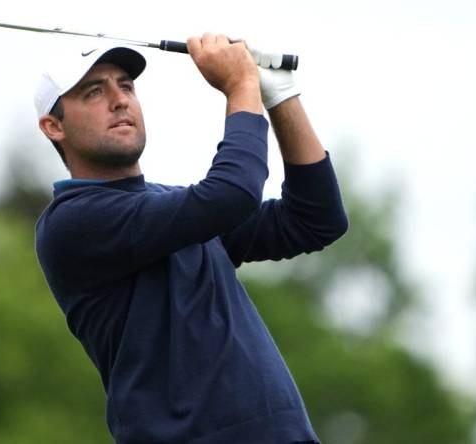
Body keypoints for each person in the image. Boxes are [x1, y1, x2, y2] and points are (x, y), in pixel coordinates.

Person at [34, 33, 348, 444]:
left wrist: (279, 95)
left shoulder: (175, 209)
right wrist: (240, 88)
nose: (119, 100)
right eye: (94, 92)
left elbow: (315, 219)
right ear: (54, 126)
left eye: (125, 86)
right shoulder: (72, 221)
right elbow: (231, 194)